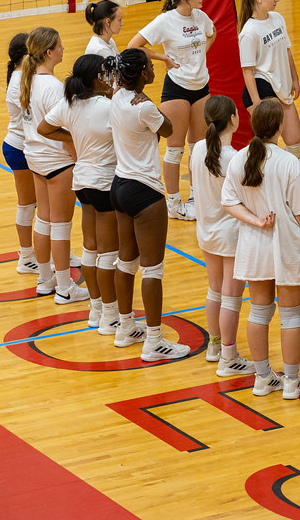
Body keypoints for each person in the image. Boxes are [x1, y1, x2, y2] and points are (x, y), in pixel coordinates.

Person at [222, 99, 300, 399]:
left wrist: (255, 221)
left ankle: (263, 378)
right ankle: (291, 382)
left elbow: (229, 203)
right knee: (290, 316)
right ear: (279, 127)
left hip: (254, 246)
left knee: (259, 312)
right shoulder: (289, 162)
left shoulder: (238, 160)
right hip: (286, 244)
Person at [105, 48, 190, 361]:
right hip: (145, 191)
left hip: (119, 186)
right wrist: (151, 104)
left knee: (126, 262)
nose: (155, 70)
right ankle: (154, 341)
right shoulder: (145, 108)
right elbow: (168, 129)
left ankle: (125, 327)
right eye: (150, 67)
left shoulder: (116, 98)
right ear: (142, 73)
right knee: (153, 269)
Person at [38, 54, 119, 331]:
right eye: (106, 74)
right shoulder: (108, 106)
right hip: (105, 183)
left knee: (89, 247)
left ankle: (96, 310)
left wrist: (72, 135)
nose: (110, 79)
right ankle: (110, 316)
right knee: (108, 253)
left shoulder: (69, 102)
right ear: (97, 78)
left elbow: (43, 128)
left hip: (82, 182)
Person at [128, 0, 217, 221]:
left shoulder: (201, 17)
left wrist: (200, 57)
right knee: (175, 149)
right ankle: (174, 202)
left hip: (202, 86)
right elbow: (133, 46)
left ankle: (196, 198)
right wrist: (164, 58)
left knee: (198, 149)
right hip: (177, 87)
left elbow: (212, 33)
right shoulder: (165, 21)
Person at [189, 95, 255, 376]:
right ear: (233, 120)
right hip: (231, 234)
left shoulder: (197, 149)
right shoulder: (235, 158)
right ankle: (229, 357)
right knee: (231, 296)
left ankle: (215, 346)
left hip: (206, 230)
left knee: (214, 289)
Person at [20, 27, 86, 303]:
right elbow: (66, 130)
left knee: (44, 220)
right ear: (49, 52)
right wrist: (79, 160)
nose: (63, 49)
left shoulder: (28, 80)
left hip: (36, 159)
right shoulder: (55, 88)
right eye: (59, 45)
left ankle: (45, 279)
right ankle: (65, 288)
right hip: (57, 162)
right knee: (61, 225)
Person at [238, 0, 300, 157]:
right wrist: (257, 103)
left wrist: (295, 78)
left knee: (296, 145)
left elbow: (287, 50)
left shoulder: (277, 18)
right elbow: (247, 71)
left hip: (282, 85)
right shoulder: (249, 32)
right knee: (268, 147)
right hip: (262, 88)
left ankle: (282, 174)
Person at [3, 33, 38, 276]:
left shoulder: (24, 77)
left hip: (27, 147)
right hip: (20, 148)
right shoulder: (19, 81)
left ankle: (54, 251)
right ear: (26, 56)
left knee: (44, 206)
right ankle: (26, 257)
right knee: (28, 204)